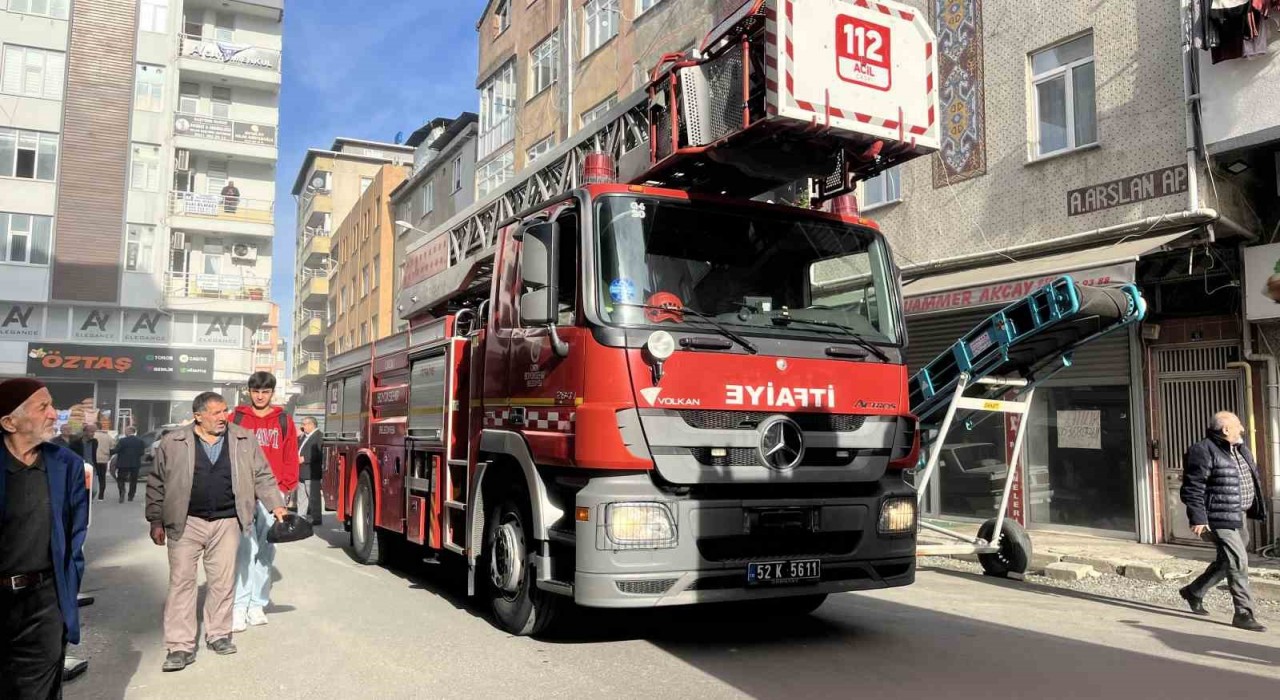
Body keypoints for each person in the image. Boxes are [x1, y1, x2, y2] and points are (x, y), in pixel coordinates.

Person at [146, 392, 287, 672]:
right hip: (185, 521)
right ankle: (179, 646)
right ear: (198, 416)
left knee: (222, 581)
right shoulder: (173, 442)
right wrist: (155, 520)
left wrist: (276, 506)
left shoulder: (243, 439)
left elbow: (262, 475)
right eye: (216, 413)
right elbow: (157, 482)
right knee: (182, 583)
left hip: (227, 521)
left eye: (225, 411)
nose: (223, 417)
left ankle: (219, 634)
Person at [0, 378, 89, 699]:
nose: (55, 414)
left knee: (42, 691)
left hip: (44, 601)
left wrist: (65, 592)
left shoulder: (67, 465)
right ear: (10, 422)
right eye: (43, 407)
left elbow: (74, 536)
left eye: (52, 405)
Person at [1178, 411, 1268, 632]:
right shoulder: (1203, 450)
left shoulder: (1240, 449)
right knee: (1238, 560)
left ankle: (1194, 591)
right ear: (1225, 429)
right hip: (1218, 516)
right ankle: (1243, 613)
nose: (1243, 429)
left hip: (1238, 515)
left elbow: (1250, 479)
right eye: (1238, 425)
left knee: (1227, 560)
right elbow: (1193, 487)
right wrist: (1198, 517)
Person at [230, 372, 298, 632]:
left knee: (266, 551)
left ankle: (257, 603)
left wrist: (286, 488)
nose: (260, 396)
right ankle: (238, 605)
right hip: (243, 493)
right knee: (244, 550)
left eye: (265, 391)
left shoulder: (283, 420)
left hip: (274, 495)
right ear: (249, 391)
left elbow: (291, 455)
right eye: (256, 391)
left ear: (272, 392)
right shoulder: (235, 418)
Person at [71, 425, 111, 501]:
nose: (93, 434)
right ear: (85, 432)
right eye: (91, 432)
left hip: (92, 468)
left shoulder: (95, 442)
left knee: (94, 490)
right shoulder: (75, 443)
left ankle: (88, 501)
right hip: (80, 468)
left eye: (94, 432)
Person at [296, 417, 323, 526]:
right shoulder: (304, 437)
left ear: (312, 425)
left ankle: (316, 517)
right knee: (301, 497)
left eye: (305, 424)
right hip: (302, 471)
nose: (303, 427)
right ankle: (301, 516)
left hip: (312, 472)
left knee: (313, 496)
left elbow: (319, 452)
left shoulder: (318, 436)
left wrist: (305, 458)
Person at [111, 426, 147, 503]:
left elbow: (116, 450)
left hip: (123, 463)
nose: (125, 432)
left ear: (130, 431)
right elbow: (142, 453)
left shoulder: (122, 441)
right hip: (135, 463)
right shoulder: (140, 441)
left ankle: (122, 491)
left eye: (126, 431)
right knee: (133, 480)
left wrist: (109, 451)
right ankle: (131, 496)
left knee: (121, 479)